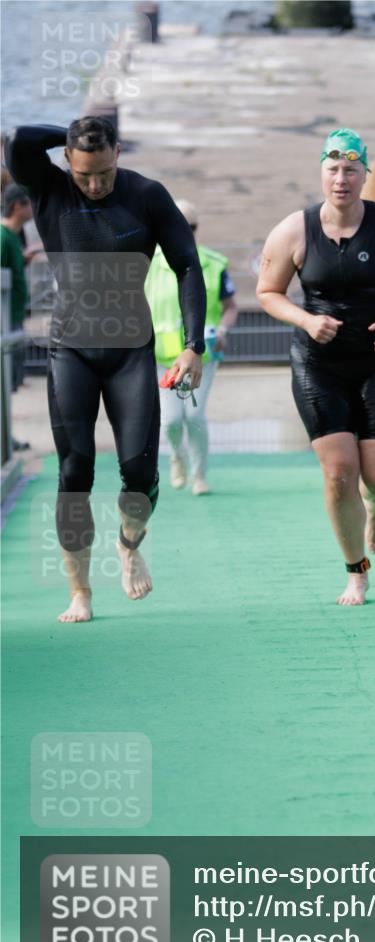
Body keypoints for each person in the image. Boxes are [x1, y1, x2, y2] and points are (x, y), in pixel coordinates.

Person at [5, 118, 206, 623]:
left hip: (130, 350)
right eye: (84, 175)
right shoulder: (49, 188)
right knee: (75, 473)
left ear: (119, 151)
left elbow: (187, 265)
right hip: (70, 349)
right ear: (68, 162)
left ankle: (129, 542)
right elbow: (23, 139)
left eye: (104, 172)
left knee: (139, 473)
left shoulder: (146, 195)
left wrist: (193, 345)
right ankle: (80, 592)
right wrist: (72, 134)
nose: (95, 186)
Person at [256, 128, 375, 606]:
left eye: (351, 170)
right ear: (321, 173)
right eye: (333, 169)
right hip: (318, 363)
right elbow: (267, 293)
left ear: (364, 175)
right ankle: (357, 571)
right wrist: (306, 320)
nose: (341, 179)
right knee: (338, 472)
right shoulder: (294, 229)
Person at [145, 198, 238, 496]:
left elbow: (230, 306)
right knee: (171, 420)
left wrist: (223, 328)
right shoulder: (149, 265)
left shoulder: (212, 263)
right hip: (163, 356)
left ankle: (199, 475)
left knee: (194, 416)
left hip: (202, 355)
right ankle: (176, 457)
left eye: (190, 226)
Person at [1, 183, 32, 391]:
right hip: (5, 319)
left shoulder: (13, 236)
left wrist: (24, 259)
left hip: (14, 315)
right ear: (17, 206)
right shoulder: (3, 237)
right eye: (30, 203)